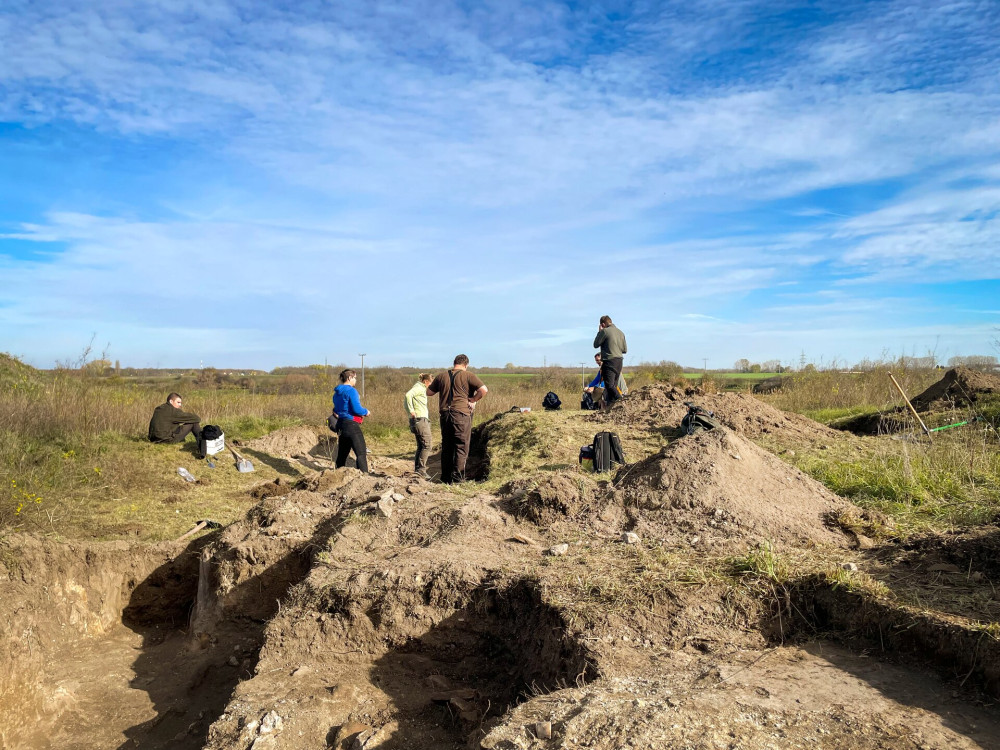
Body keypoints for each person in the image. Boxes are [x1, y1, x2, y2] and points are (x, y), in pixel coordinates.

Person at [427, 354, 488, 484]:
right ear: (466, 364)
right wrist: (473, 399)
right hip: (461, 414)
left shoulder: (441, 376)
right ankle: (458, 479)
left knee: (447, 446)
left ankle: (446, 478)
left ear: (454, 363)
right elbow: (484, 390)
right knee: (461, 446)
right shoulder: (468, 375)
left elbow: (429, 392)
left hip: (445, 415)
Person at [332, 369, 371, 473]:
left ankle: (337, 476)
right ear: (349, 378)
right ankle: (365, 478)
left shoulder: (336, 393)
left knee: (342, 455)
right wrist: (366, 411)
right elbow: (357, 409)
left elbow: (335, 411)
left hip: (341, 425)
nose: (355, 380)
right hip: (351, 425)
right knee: (361, 453)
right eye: (355, 378)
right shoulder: (351, 391)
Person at [593, 315, 627, 407]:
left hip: (609, 360)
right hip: (619, 361)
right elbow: (624, 350)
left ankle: (622, 401)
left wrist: (599, 332)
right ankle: (611, 407)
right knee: (614, 385)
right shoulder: (621, 333)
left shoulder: (605, 331)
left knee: (609, 385)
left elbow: (596, 344)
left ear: (603, 324)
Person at [404, 373, 434, 479]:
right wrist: (411, 410)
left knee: (421, 446)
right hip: (420, 420)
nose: (431, 386)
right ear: (426, 382)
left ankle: (417, 470)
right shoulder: (419, 388)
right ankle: (421, 470)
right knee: (427, 445)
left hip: (419, 419)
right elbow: (408, 395)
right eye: (430, 383)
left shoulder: (419, 387)